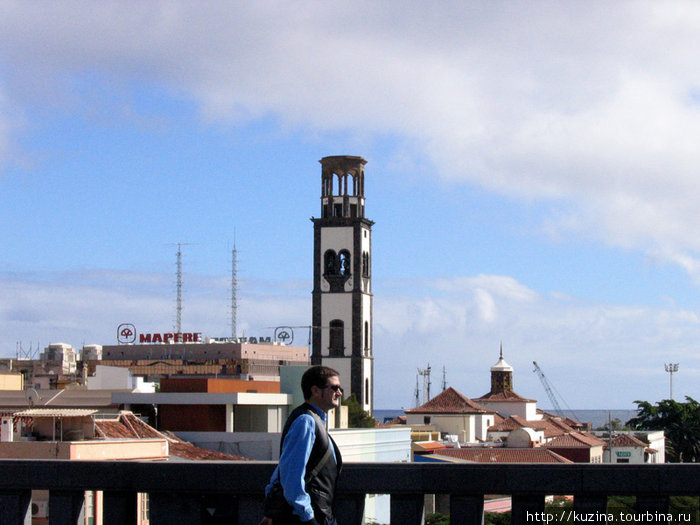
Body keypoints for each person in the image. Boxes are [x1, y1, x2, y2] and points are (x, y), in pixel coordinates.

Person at [260, 366, 344, 525]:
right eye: (334, 388)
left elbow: (283, 470)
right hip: (305, 517)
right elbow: (292, 476)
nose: (339, 393)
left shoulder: (312, 420)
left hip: (315, 514)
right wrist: (308, 518)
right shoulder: (305, 422)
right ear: (315, 391)